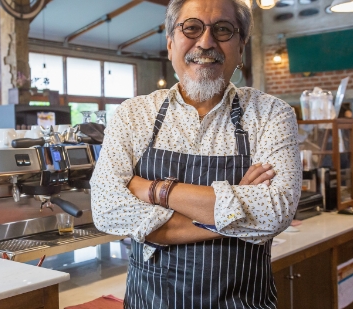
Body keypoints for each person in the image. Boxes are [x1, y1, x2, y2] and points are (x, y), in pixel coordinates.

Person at [90, 0, 301, 307]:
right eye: (191, 28)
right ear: (170, 43)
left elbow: (276, 211)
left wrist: (155, 191)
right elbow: (106, 208)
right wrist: (237, 218)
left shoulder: (272, 114)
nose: (206, 42)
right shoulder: (133, 114)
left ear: (241, 46)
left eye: (223, 30)